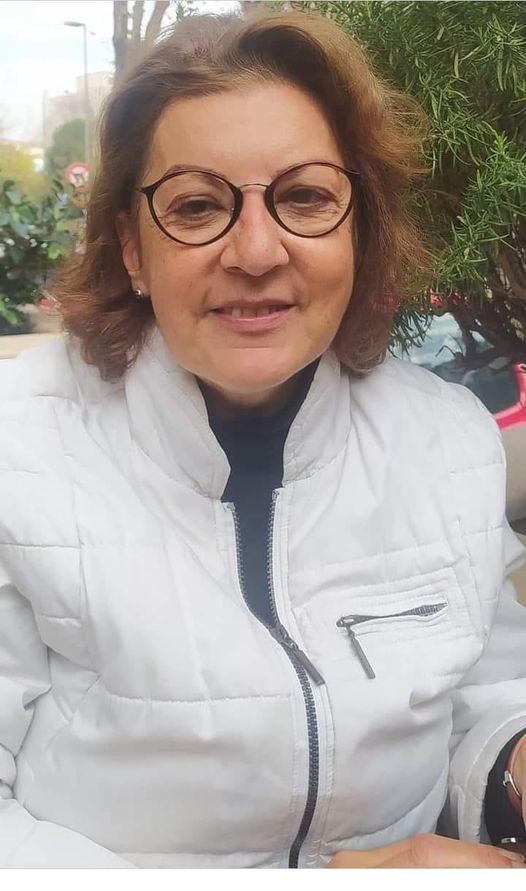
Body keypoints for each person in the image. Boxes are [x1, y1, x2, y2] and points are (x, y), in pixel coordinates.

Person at [1, 9, 526, 871]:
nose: (255, 250)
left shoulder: (445, 443)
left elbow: (484, 692)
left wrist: (515, 758)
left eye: (306, 197)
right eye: (197, 206)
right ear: (132, 247)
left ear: (358, 225)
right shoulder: (16, 451)